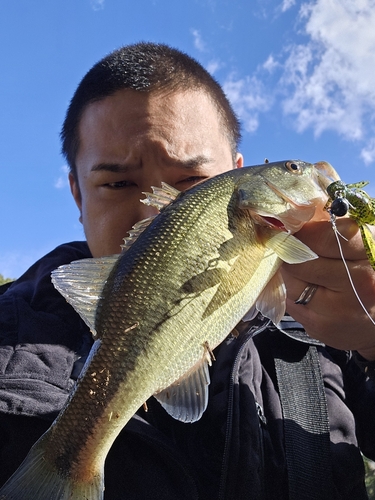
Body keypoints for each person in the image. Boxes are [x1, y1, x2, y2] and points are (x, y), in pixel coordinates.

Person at [1, 42, 375, 499]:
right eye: (118, 183)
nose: (153, 212)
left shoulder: (329, 339)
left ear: (237, 171)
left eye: (192, 183)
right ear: (78, 194)